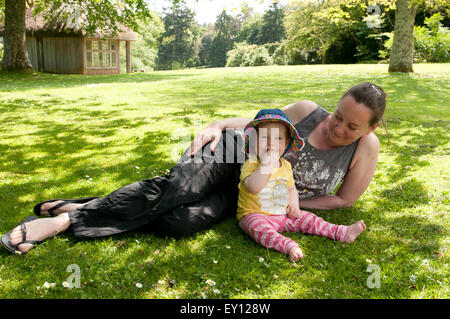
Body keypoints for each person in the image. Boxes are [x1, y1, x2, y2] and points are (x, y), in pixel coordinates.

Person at [1, 82, 386, 255]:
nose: (337, 127)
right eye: (338, 115)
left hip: (256, 196)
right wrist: (219, 126)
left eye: (351, 126)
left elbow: (342, 199)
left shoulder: (365, 148)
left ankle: (89, 204)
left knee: (181, 222)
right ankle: (67, 221)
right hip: (239, 153)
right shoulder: (306, 111)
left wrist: (288, 202)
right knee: (182, 183)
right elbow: (259, 120)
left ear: (371, 127)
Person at [237, 109, 366, 262]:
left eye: (278, 139)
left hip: (283, 214)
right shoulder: (251, 163)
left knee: (309, 219)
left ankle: (341, 232)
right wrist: (265, 165)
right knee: (257, 227)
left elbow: (291, 189)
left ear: (285, 145)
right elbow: (253, 187)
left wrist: (294, 205)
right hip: (255, 214)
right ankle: (287, 245)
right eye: (265, 138)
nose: (271, 143)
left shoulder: (285, 165)